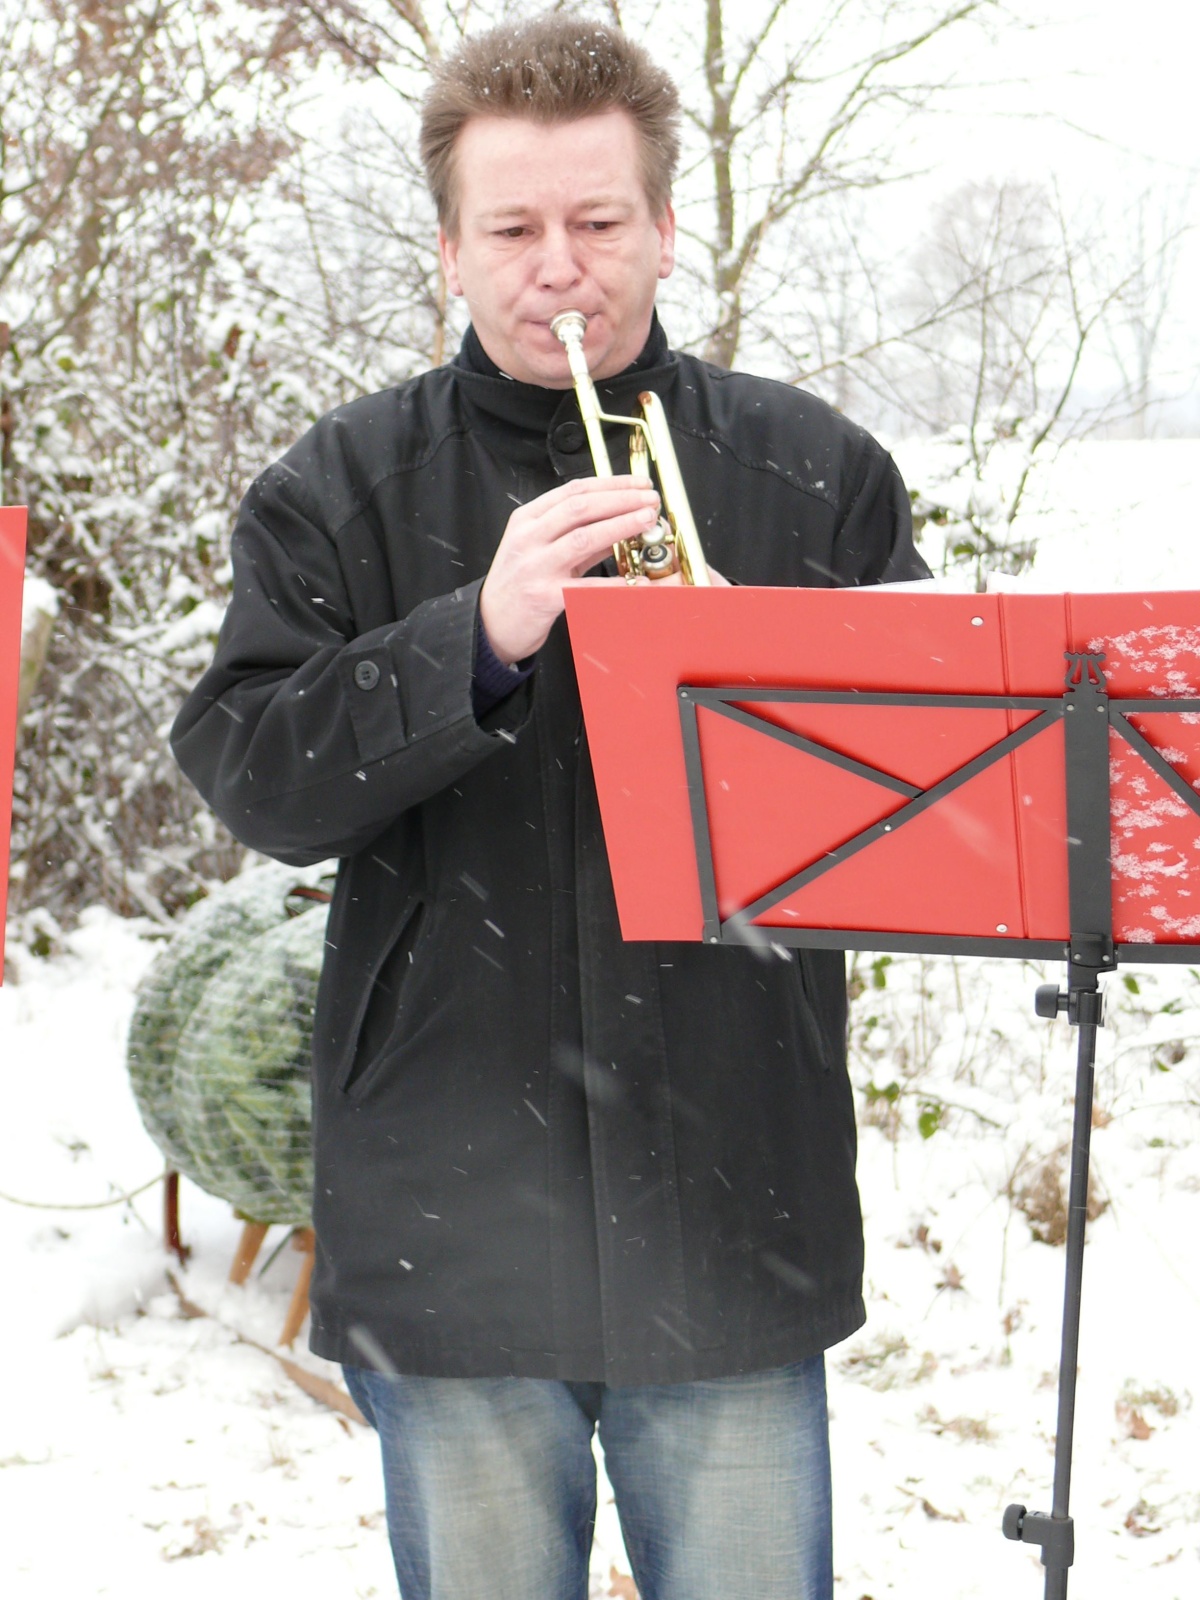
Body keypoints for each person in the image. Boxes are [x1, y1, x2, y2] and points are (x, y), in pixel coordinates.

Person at [172, 14, 929, 1600]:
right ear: (449, 249)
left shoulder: (814, 473)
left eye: (598, 223)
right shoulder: (338, 488)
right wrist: (480, 636)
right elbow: (254, 774)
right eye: (513, 229)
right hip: (450, 1208)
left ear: (663, 227)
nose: (560, 269)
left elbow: (922, 803)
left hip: (732, 1200)